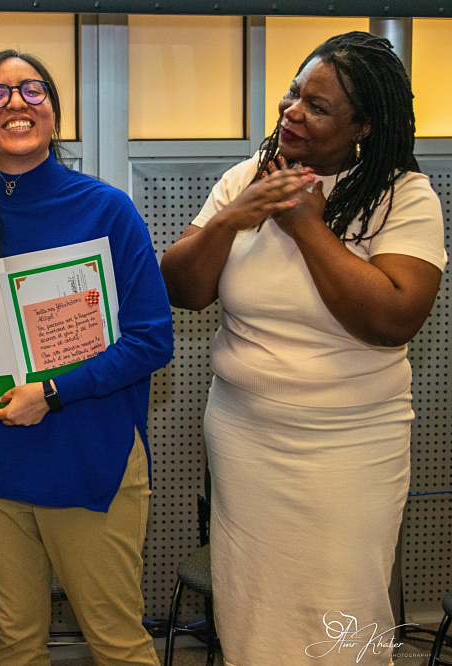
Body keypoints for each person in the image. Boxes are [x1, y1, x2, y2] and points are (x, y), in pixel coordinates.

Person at [160, 32, 446, 666]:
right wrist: (234, 217)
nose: (291, 111)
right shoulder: (246, 177)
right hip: (244, 436)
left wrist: (307, 226)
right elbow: (182, 288)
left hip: (351, 445)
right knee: (252, 608)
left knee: (344, 607)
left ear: (363, 126)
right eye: (293, 94)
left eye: (317, 106)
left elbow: (393, 318)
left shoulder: (402, 195)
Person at [0, 50, 174, 666]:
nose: (16, 103)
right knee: (14, 647)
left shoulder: (107, 209)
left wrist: (51, 393)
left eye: (33, 90)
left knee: (117, 644)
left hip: (88, 458)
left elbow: (152, 339)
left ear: (54, 111)